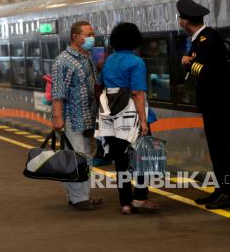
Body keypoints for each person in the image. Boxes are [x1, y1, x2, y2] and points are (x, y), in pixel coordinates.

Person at [177, 0, 230, 209]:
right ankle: (222, 189)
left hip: (218, 103)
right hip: (213, 103)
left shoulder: (208, 39)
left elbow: (209, 72)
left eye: (180, 18)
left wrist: (188, 64)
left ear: (184, 21)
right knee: (217, 149)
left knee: (221, 149)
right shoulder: (200, 39)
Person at [96, 22, 160, 215]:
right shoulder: (136, 62)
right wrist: (143, 122)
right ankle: (140, 197)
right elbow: (138, 93)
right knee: (146, 156)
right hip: (131, 116)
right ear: (135, 40)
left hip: (112, 117)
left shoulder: (109, 61)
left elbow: (100, 85)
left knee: (121, 161)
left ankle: (125, 203)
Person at [51, 21, 102, 211]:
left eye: (92, 34)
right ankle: (78, 197)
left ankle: (81, 195)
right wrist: (58, 118)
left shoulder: (86, 58)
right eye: (88, 34)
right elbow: (58, 92)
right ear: (75, 37)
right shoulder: (62, 61)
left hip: (89, 116)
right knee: (76, 157)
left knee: (87, 157)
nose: (92, 38)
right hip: (71, 118)